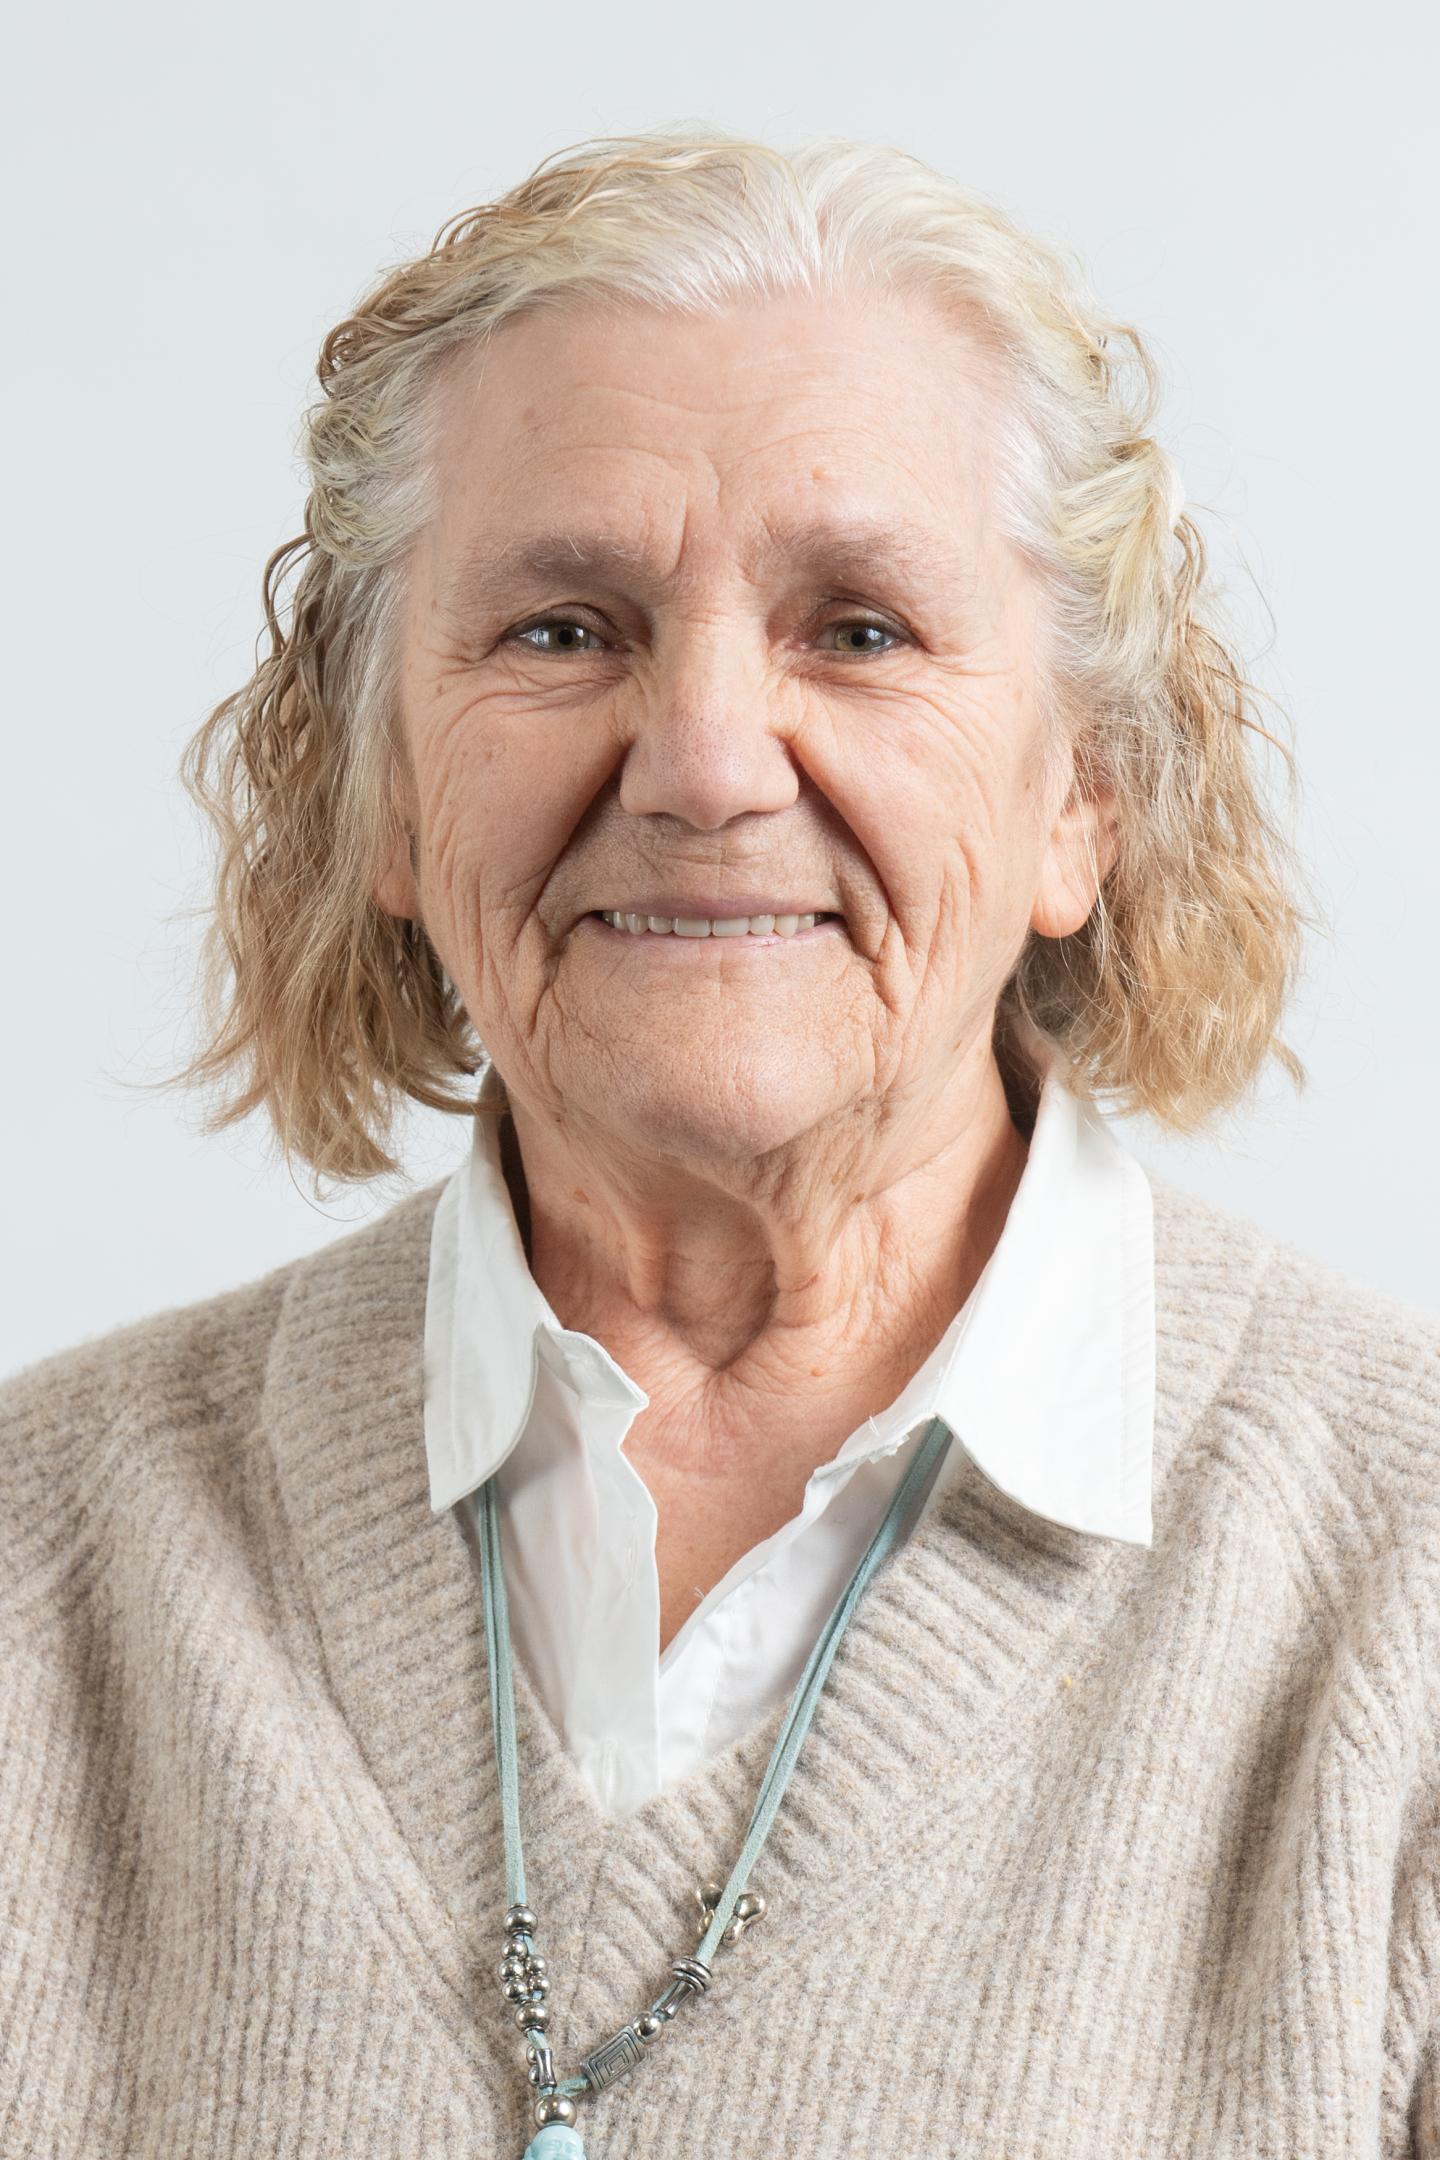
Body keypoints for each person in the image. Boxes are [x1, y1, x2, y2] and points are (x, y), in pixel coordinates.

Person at [3, 127, 1437, 2159]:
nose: (701, 765)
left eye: (860, 629)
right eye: (562, 629)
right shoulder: (39, 1563)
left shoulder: (1402, 1596)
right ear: (383, 790)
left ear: (1085, 798)